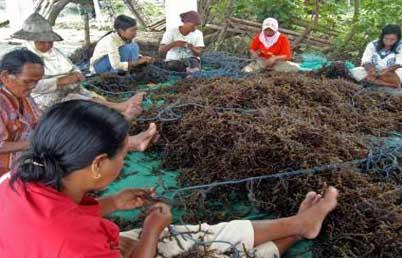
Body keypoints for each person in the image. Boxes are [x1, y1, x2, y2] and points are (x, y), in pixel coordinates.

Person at [0, 99, 339, 258]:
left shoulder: (14, 179)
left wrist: (113, 203)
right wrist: (150, 231)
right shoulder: (72, 243)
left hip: (75, 245)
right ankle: (299, 231)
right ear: (98, 164)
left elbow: (55, 217)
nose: (128, 156)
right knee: (218, 255)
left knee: (198, 234)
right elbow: (66, 237)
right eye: (125, 152)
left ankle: (300, 223)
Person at [0, 49, 157, 176]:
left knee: (76, 130)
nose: (33, 87)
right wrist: (40, 143)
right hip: (12, 164)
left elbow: (38, 122)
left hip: (33, 146)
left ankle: (128, 140)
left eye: (37, 81)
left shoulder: (24, 97)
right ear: (6, 76)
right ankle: (130, 143)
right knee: (73, 145)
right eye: (28, 81)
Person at [12, 13, 145, 117]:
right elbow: (30, 86)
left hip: (68, 89)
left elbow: (71, 67)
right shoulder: (24, 58)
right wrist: (60, 81)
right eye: (42, 42)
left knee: (89, 96)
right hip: (43, 98)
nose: (47, 45)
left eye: (50, 42)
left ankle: (117, 108)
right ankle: (119, 109)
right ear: (30, 41)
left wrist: (76, 74)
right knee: (77, 99)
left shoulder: (55, 52)